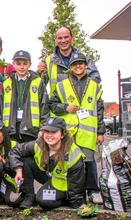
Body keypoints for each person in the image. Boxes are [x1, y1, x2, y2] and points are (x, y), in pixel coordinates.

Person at [48, 52, 105, 204]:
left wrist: (100, 132)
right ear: (70, 67)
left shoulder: (95, 86)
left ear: (86, 66)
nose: (78, 66)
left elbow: (99, 110)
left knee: (90, 162)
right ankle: (71, 192)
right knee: (69, 163)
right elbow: (52, 105)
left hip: (88, 132)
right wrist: (66, 107)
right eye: (74, 64)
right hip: (69, 132)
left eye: (81, 63)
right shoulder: (61, 85)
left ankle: (93, 191)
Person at [9, 117, 87, 209]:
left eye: (54, 132)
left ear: (62, 134)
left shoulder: (73, 154)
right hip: (49, 177)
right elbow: (15, 151)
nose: (49, 135)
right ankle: (29, 197)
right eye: (47, 132)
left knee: (42, 200)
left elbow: (77, 183)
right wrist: (18, 170)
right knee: (26, 161)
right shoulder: (38, 144)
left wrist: (77, 203)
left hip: (64, 184)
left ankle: (66, 198)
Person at [0, 50, 50, 143]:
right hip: (10, 130)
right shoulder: (6, 83)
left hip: (31, 131)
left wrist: (43, 128)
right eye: (18, 64)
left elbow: (44, 107)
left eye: (25, 64)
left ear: (30, 64)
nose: (22, 67)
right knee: (12, 156)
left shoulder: (38, 82)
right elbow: (0, 108)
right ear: (13, 64)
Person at [37, 27, 101, 97]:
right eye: (60, 38)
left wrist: (79, 85)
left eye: (66, 37)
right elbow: (39, 85)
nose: (63, 40)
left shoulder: (84, 57)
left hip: (79, 105)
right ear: (56, 40)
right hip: (57, 105)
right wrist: (39, 73)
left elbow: (96, 79)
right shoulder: (49, 61)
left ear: (72, 38)